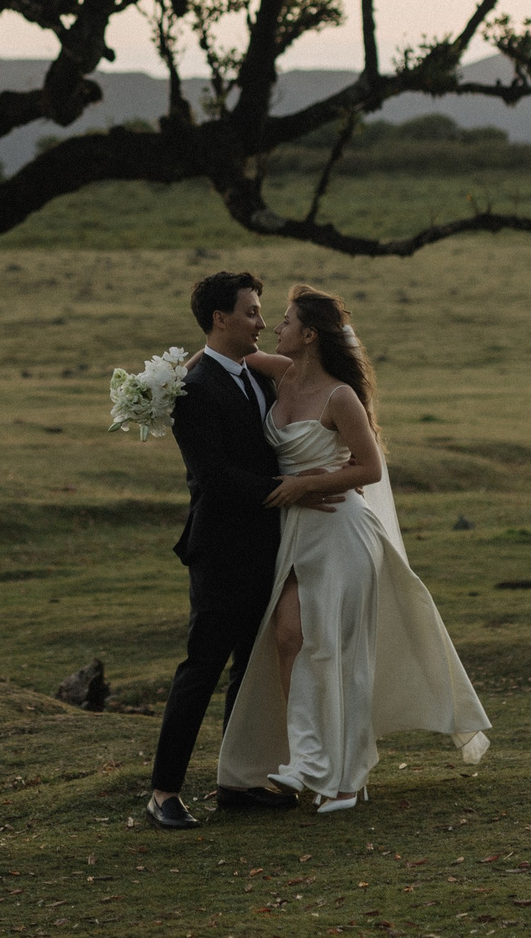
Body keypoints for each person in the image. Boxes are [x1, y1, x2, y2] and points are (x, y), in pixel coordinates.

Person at [214, 283, 489, 812]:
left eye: (287, 321)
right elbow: (221, 354)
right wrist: (161, 382)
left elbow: (370, 468)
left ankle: (348, 778)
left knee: (339, 652)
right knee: (290, 638)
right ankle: (307, 760)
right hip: (297, 532)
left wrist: (305, 485)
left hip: (341, 529)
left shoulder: (341, 396)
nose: (276, 328)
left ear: (310, 334)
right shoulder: (279, 372)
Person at [144, 271, 343, 831]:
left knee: (250, 668)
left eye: (262, 313)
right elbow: (214, 475)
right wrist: (297, 490)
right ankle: (163, 792)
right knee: (201, 667)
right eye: (252, 312)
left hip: (270, 546)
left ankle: (238, 780)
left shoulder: (254, 375)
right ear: (219, 320)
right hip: (221, 549)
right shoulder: (195, 386)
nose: (261, 322)